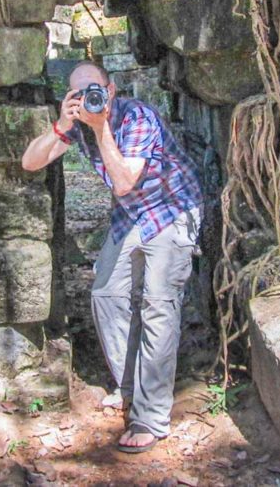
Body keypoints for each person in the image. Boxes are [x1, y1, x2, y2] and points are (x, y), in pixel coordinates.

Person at [21, 61, 204, 453]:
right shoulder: (78, 123)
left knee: (158, 303)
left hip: (172, 209)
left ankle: (150, 417)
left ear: (112, 89)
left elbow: (123, 181)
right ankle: (129, 386)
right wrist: (61, 126)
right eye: (78, 93)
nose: (89, 99)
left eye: (95, 90)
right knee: (105, 292)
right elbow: (29, 162)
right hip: (132, 215)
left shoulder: (138, 118)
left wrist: (101, 125)